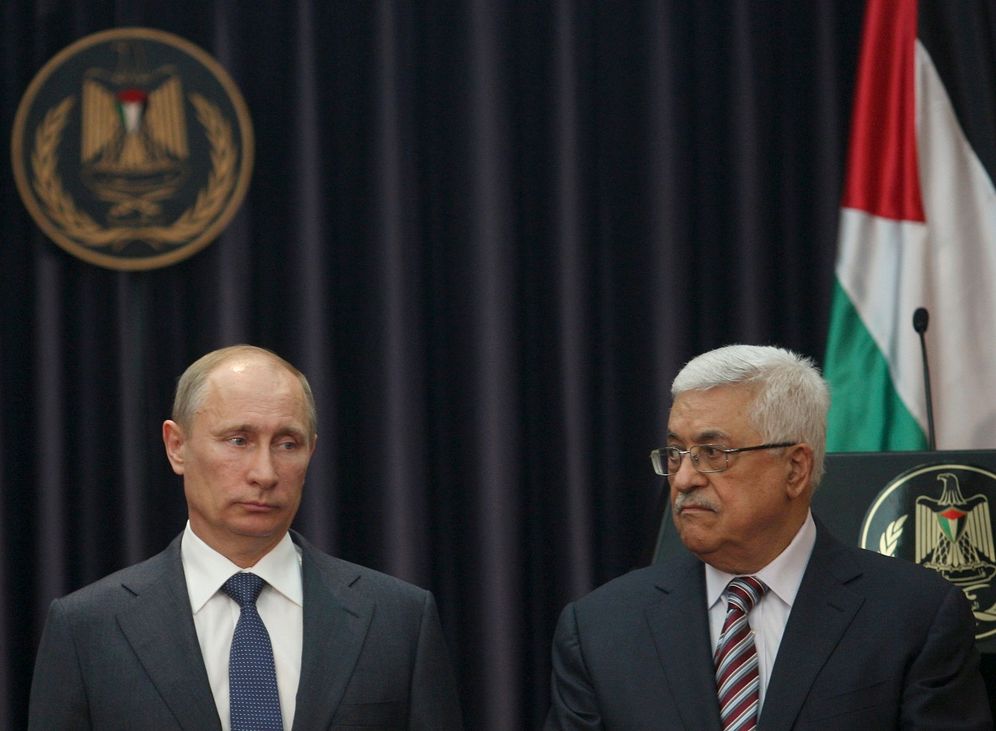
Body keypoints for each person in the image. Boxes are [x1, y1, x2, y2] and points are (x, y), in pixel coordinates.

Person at [545, 344, 992, 730]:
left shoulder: (914, 616)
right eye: (676, 452)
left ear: (795, 469)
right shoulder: (599, 630)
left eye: (711, 453)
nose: (682, 479)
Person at [29, 344, 463, 730]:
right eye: (238, 440)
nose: (265, 473)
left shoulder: (398, 620)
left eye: (287, 443)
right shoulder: (88, 628)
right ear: (176, 446)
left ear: (311, 451)